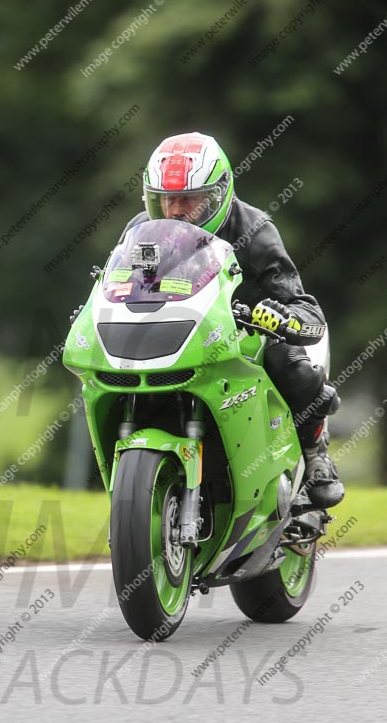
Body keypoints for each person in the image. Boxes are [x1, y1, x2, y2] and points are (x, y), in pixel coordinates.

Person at [120, 131, 344, 509]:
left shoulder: (254, 230)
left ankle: (315, 453)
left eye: (189, 200)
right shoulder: (140, 232)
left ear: (218, 195)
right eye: (167, 200)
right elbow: (121, 283)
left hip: (244, 336)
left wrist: (283, 318)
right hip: (174, 336)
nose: (175, 211)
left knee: (286, 359)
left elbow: (307, 312)